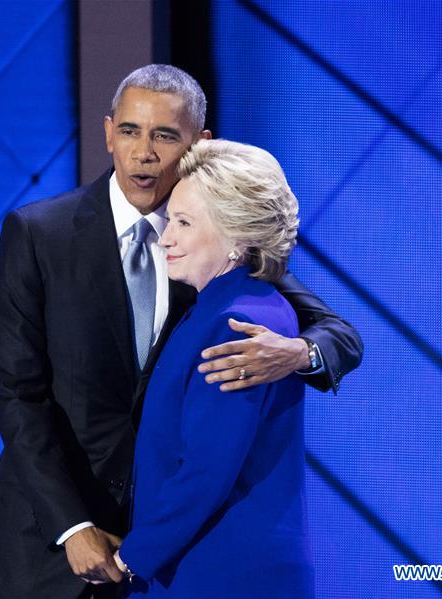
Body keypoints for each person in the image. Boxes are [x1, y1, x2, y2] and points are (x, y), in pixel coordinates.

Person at [0, 64, 361, 598]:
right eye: (131, 131)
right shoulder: (38, 234)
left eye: (165, 135)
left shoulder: (218, 243)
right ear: (108, 131)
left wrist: (297, 353)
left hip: (169, 552)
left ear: (198, 144)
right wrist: (71, 525)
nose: (144, 152)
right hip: (52, 543)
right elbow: (18, 395)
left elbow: (336, 333)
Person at [114, 139, 312, 598]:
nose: (165, 237)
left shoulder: (235, 323)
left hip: (218, 573)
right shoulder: (230, 307)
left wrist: (130, 557)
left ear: (237, 238)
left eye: (184, 223)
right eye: (171, 220)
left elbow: (206, 470)